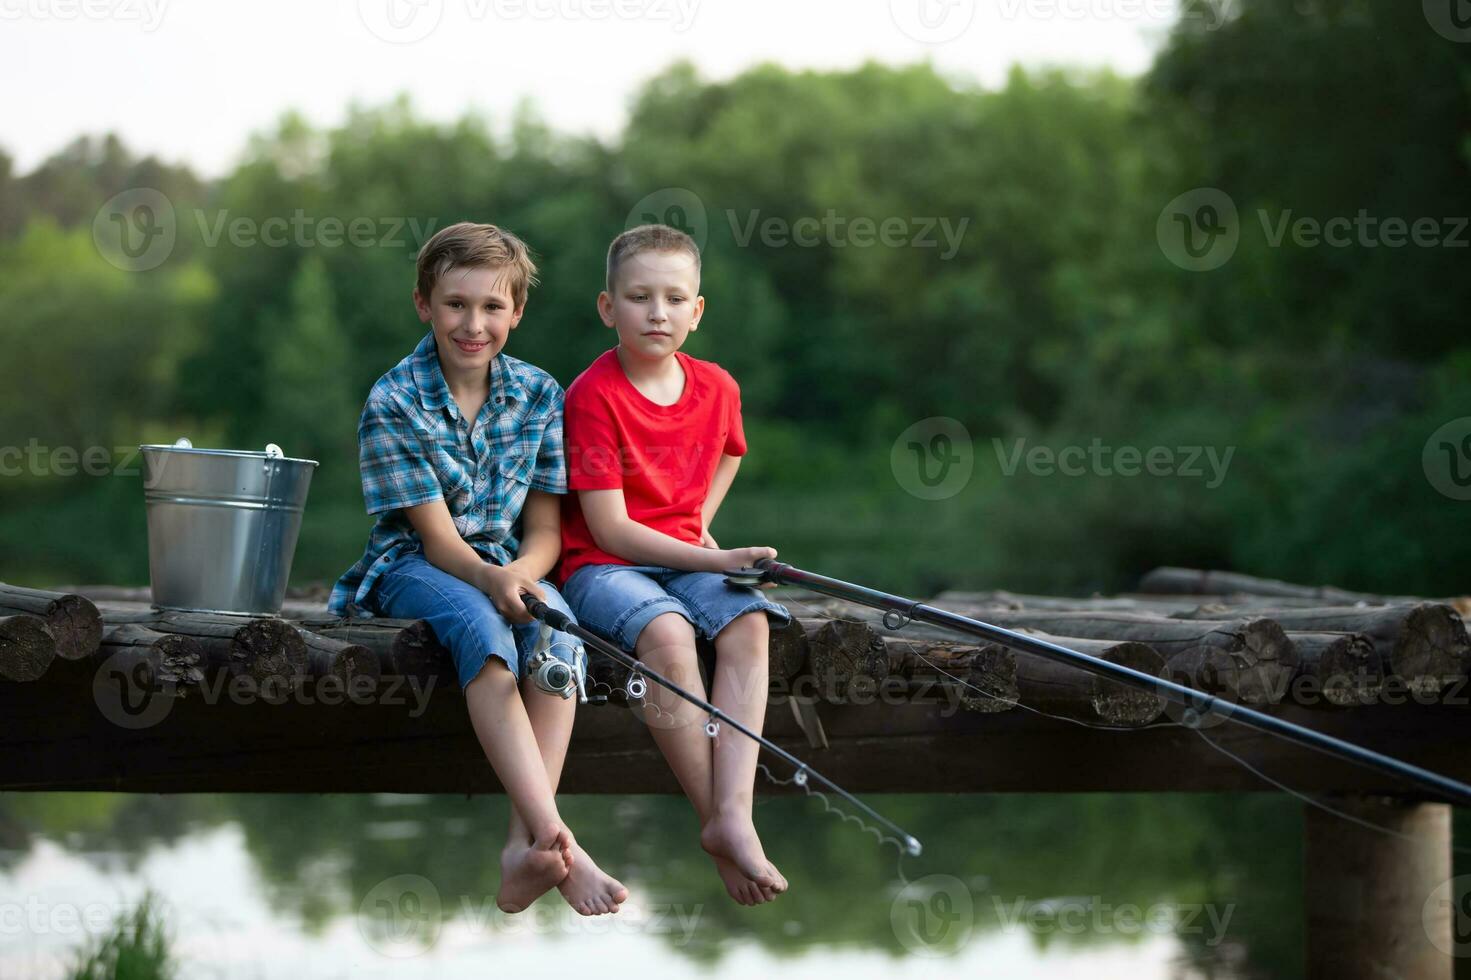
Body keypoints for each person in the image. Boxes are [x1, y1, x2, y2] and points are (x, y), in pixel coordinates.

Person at [328, 221, 626, 916]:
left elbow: (547, 528)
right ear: (423, 305)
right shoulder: (393, 401)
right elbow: (435, 543)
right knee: (483, 635)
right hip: (413, 565)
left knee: (558, 641)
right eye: (456, 304)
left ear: (516, 313)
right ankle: (562, 843)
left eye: (492, 307)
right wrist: (495, 583)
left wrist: (522, 574)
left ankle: (523, 846)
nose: (473, 323)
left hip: (509, 561)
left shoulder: (539, 393)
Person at [558, 223, 792, 907]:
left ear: (697, 310)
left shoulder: (716, 386)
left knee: (749, 627)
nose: (656, 312)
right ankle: (713, 818)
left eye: (672, 298)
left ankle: (734, 814)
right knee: (667, 635)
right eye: (638, 297)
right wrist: (712, 553)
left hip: (684, 551)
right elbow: (611, 529)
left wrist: (699, 523)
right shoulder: (592, 396)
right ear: (608, 308)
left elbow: (728, 451)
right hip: (603, 565)